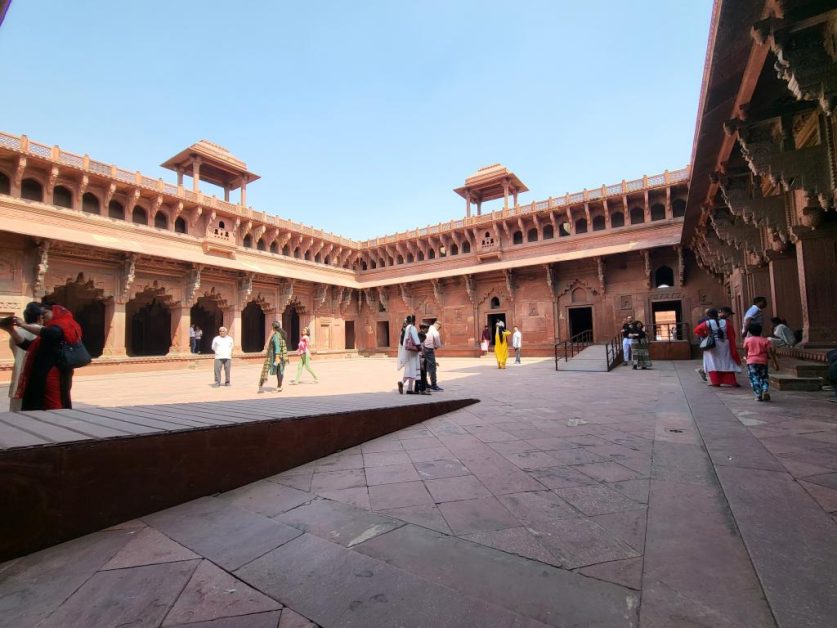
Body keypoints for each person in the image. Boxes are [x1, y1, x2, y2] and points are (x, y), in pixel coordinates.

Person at [9, 304, 82, 410]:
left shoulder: (64, 326)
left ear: (56, 312)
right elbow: (29, 346)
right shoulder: (49, 329)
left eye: (45, 313)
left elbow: (50, 333)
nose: (42, 316)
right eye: (41, 314)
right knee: (39, 405)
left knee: (53, 404)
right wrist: (10, 330)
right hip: (42, 374)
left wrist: (23, 325)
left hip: (54, 374)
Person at [1, 302, 42, 412]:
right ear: (40, 317)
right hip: (37, 379)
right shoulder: (44, 332)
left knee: (17, 415)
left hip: (19, 377)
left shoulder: (15, 332)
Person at [694, 308, 741, 387]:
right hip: (725, 344)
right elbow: (732, 333)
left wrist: (705, 336)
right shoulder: (726, 322)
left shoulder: (707, 323)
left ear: (708, 315)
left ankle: (716, 382)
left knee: (713, 363)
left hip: (713, 345)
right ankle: (732, 381)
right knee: (727, 362)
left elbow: (697, 330)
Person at [742, 322, 779, 402]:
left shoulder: (747, 340)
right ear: (760, 331)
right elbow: (770, 352)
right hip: (763, 361)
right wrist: (775, 363)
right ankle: (765, 390)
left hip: (751, 361)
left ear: (750, 332)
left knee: (754, 377)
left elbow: (746, 351)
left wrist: (746, 358)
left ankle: (758, 395)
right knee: (764, 377)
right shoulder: (765, 340)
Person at [258, 321, 288, 393]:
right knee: (280, 371)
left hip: (274, 356)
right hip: (282, 355)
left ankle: (261, 387)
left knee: (265, 370)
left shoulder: (276, 335)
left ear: (273, 327)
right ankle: (279, 387)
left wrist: (277, 357)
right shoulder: (281, 334)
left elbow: (277, 346)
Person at [398, 314, 421, 394]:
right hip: (413, 351)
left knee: (408, 369)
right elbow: (415, 338)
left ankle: (402, 382)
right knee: (413, 369)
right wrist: (419, 347)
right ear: (413, 321)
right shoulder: (412, 328)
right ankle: (409, 389)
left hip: (407, 350)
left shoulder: (406, 328)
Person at [424, 320, 443, 391]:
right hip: (429, 350)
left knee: (424, 367)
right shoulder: (434, 331)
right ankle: (434, 385)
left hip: (423, 350)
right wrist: (436, 346)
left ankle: (425, 383)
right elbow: (437, 341)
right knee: (432, 367)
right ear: (438, 326)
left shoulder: (427, 328)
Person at [417, 325, 431, 395]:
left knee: (419, 373)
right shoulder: (422, 335)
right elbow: (421, 347)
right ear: (422, 329)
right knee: (423, 373)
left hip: (419, 357)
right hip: (421, 357)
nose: (427, 330)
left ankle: (417, 389)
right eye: (426, 329)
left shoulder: (418, 335)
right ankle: (423, 389)